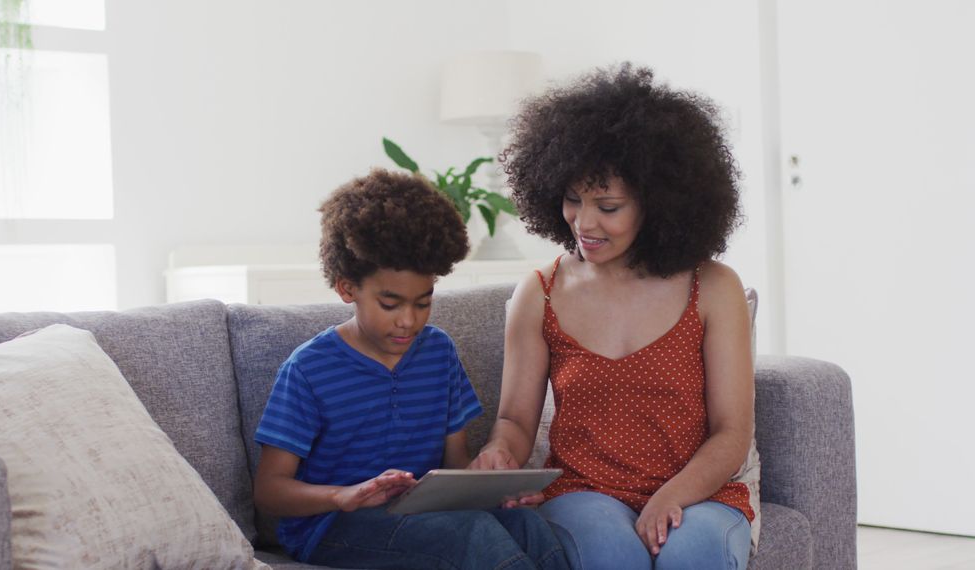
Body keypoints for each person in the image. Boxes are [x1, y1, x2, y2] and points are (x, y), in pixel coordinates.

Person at [470, 64, 756, 570]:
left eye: (609, 206)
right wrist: (500, 453)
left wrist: (672, 496)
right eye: (573, 200)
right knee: (610, 557)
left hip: (700, 494)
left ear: (658, 203)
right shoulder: (539, 292)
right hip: (584, 492)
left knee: (692, 557)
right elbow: (515, 420)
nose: (584, 222)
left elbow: (731, 432)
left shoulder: (712, 287)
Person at [252, 168, 570, 570]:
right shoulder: (308, 369)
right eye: (390, 304)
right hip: (333, 525)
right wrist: (343, 496)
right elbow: (269, 491)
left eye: (423, 302)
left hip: (420, 512)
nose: (409, 320)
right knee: (473, 533)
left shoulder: (438, 351)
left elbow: (453, 466)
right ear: (347, 288)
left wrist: (492, 490)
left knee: (525, 523)